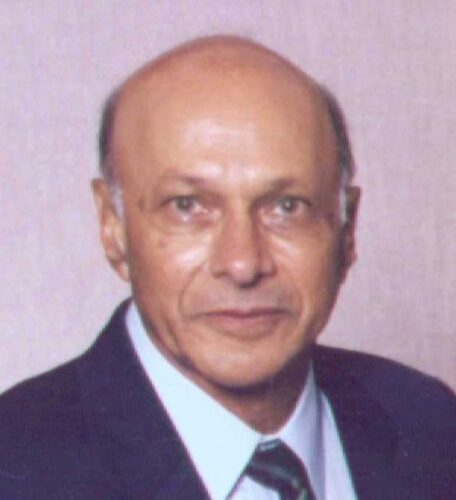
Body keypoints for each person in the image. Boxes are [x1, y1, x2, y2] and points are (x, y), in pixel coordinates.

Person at [0, 36, 454, 500]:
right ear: (112, 227)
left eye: (287, 206)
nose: (242, 263)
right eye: (187, 206)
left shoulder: (434, 429)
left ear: (347, 227)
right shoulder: (14, 464)